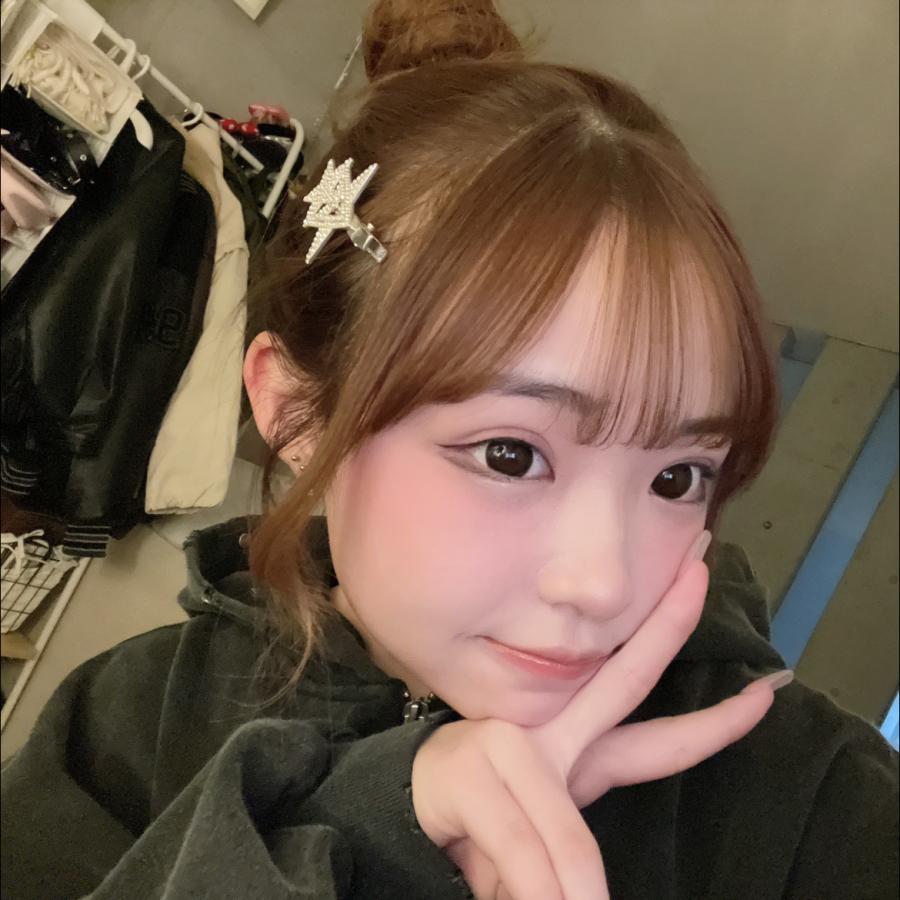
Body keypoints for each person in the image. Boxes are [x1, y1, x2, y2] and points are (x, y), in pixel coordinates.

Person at [2, 2, 897, 898]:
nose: (603, 584)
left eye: (677, 476)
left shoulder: (807, 791)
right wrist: (371, 839)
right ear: (297, 411)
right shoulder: (125, 726)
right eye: (510, 454)